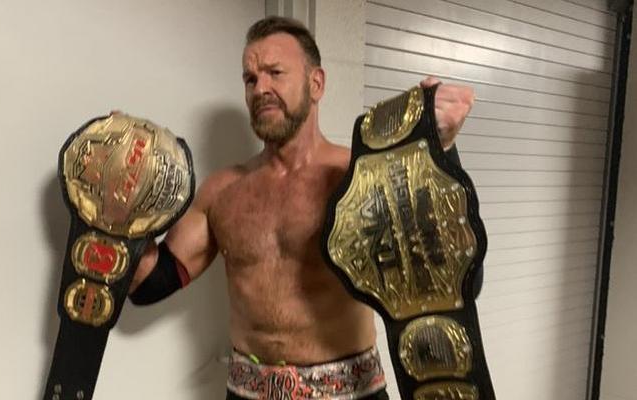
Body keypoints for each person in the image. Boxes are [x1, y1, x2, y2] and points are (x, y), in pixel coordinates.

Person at [128, 16, 475, 400]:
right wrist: (117, 213)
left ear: (316, 83)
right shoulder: (222, 191)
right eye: (250, 79)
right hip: (247, 394)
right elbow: (150, 284)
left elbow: (452, 279)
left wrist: (436, 154)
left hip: (351, 393)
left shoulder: (360, 176)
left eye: (275, 73)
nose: (261, 88)